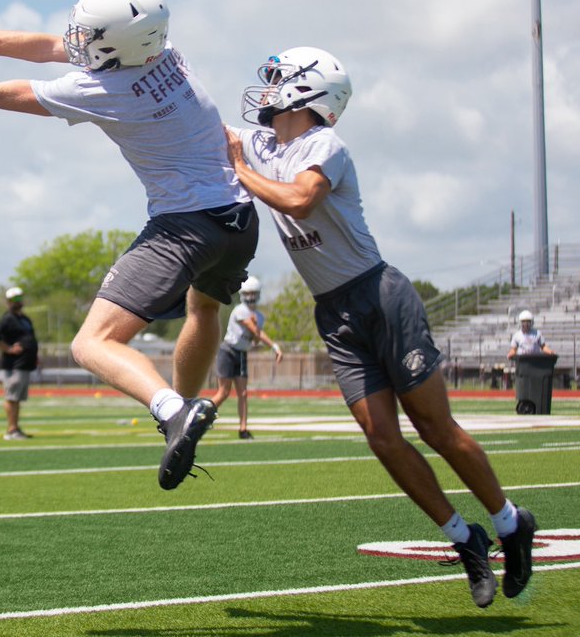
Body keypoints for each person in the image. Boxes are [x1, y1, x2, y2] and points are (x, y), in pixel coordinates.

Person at [0, 0, 258, 490]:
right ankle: (181, 418)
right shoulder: (166, 52)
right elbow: (49, 47)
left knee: (91, 343)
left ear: (112, 43)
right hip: (240, 219)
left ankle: (173, 410)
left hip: (186, 224)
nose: (75, 36)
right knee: (203, 310)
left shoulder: (103, 87)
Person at [225, 46, 536, 608]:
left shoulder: (325, 145)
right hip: (333, 311)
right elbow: (200, 124)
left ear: (307, 90)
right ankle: (464, 540)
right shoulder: (263, 143)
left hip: (379, 296)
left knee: (436, 429)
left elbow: (298, 200)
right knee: (381, 437)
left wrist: (241, 173)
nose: (267, 91)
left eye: (277, 81)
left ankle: (511, 523)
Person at [212, 275, 282, 439]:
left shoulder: (259, 316)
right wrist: (274, 346)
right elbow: (252, 329)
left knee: (243, 394)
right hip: (228, 351)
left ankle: (243, 429)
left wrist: (257, 329)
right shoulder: (240, 310)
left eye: (253, 293)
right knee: (223, 392)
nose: (250, 297)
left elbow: (256, 339)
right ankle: (200, 416)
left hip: (242, 354)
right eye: (248, 293)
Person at [0, 286, 39, 440]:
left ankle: (16, 428)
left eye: (19, 298)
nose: (18, 302)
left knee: (17, 398)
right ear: (9, 301)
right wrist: (8, 349)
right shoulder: (8, 318)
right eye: (14, 299)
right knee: (11, 397)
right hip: (13, 365)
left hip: (25, 364)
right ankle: (11, 430)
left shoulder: (24, 319)